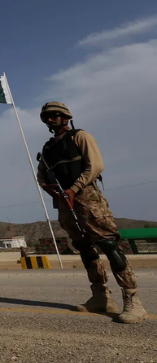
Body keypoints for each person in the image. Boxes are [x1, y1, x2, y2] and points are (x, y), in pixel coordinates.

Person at [36, 102, 147, 323]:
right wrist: (50, 189)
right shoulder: (48, 148)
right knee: (83, 247)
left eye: (54, 115)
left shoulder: (80, 137)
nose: (50, 120)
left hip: (87, 198)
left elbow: (95, 166)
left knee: (108, 244)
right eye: (46, 117)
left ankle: (133, 299)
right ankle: (101, 296)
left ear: (65, 117)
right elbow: (41, 176)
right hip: (65, 201)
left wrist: (73, 189)